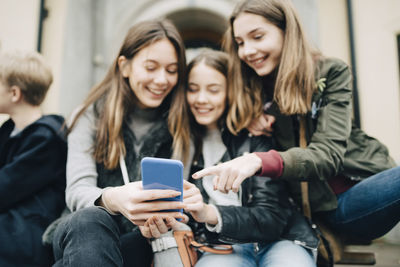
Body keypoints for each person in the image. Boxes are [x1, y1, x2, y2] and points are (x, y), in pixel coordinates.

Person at [192, 0, 400, 242]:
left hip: (366, 181)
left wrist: (259, 160)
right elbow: (205, 97)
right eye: (240, 43)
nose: (247, 50)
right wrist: (247, 112)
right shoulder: (245, 89)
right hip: (328, 210)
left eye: (257, 37)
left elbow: (328, 155)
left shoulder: (330, 72)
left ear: (286, 32)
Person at [140, 49, 318, 267]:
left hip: (281, 240)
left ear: (230, 92)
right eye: (193, 89)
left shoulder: (257, 134)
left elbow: (272, 217)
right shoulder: (177, 142)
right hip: (220, 246)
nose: (201, 99)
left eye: (213, 90)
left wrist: (209, 213)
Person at [51, 19, 188, 267]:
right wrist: (114, 199)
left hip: (142, 242)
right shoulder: (90, 115)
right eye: (151, 67)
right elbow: (77, 191)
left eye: (171, 70)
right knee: (90, 220)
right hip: (82, 234)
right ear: (124, 66)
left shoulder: (182, 123)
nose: (162, 80)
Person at [0, 51, 67, 266]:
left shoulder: (47, 138)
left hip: (26, 232)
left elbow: (6, 187)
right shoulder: (9, 130)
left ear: (14, 93)